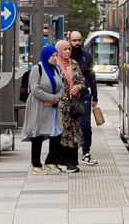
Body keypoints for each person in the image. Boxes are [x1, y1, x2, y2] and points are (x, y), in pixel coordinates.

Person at [20, 48, 64, 174]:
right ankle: (36, 165)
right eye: (52, 56)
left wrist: (56, 99)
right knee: (37, 134)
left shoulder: (55, 69)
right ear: (46, 56)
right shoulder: (37, 69)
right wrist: (52, 98)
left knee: (57, 132)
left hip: (52, 107)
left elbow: (61, 87)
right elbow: (35, 89)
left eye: (56, 55)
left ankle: (51, 161)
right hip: (38, 106)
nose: (55, 58)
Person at [50, 39, 85, 172]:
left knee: (73, 133)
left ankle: (72, 162)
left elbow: (82, 81)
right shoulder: (55, 65)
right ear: (58, 50)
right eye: (64, 49)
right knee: (61, 134)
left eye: (69, 49)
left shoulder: (74, 64)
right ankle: (59, 161)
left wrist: (78, 86)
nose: (67, 51)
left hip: (73, 105)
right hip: (59, 105)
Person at [67, 31, 99, 164]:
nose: (77, 43)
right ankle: (69, 154)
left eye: (79, 40)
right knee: (69, 126)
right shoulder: (66, 56)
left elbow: (92, 77)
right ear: (69, 40)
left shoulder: (87, 56)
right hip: (68, 97)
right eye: (74, 40)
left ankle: (86, 152)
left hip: (84, 95)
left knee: (85, 125)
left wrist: (95, 97)